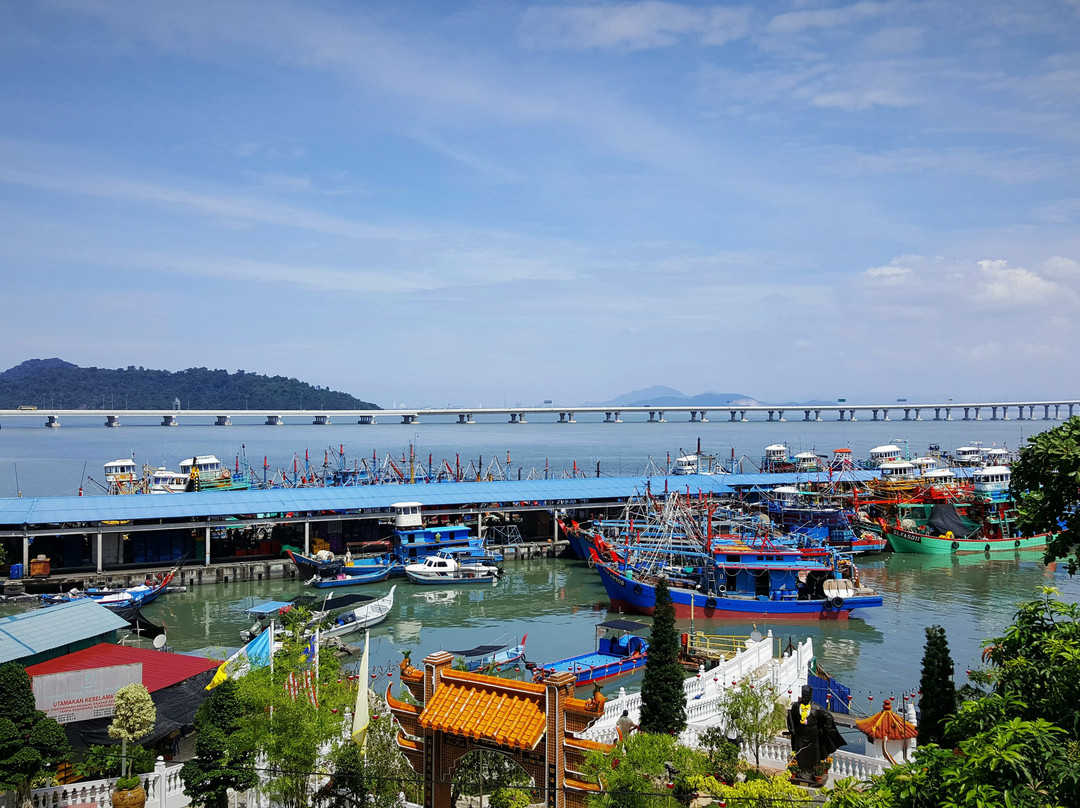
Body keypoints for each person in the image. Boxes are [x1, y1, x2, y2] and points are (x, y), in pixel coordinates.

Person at [787, 685, 845, 781]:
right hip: (800, 734)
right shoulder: (796, 706)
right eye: (803, 696)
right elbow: (791, 718)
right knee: (800, 753)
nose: (804, 699)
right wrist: (792, 729)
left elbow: (828, 717)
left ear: (810, 697)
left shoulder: (816, 707)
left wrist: (826, 730)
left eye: (806, 697)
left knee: (813, 754)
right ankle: (801, 773)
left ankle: (814, 773)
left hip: (813, 735)